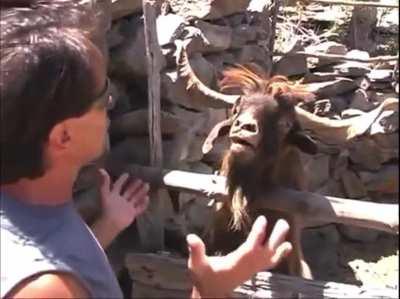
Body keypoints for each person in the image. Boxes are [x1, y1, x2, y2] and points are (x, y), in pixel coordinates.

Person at [0, 1, 292, 298]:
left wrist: (107, 225)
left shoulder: (27, 210)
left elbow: (55, 253)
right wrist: (209, 290)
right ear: (63, 136)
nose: (111, 105)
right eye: (104, 99)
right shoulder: (44, 290)